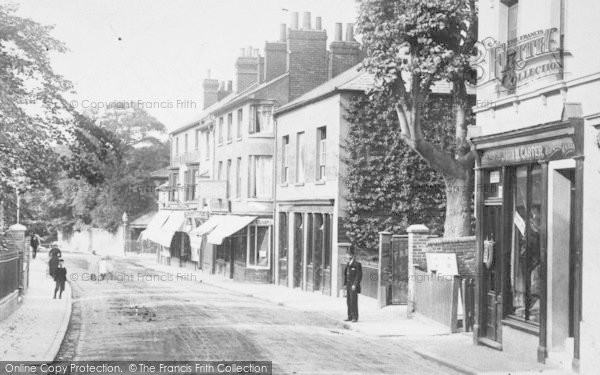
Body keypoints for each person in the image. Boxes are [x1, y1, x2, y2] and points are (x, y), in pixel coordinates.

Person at [343, 249, 362, 323]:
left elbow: (359, 275)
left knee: (353, 301)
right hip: (348, 285)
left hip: (353, 286)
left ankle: (355, 317)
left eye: (347, 255)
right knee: (348, 301)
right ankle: (349, 316)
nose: (346, 256)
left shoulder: (357, 264)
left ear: (351, 255)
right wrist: (344, 285)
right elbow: (346, 275)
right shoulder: (348, 264)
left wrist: (355, 284)